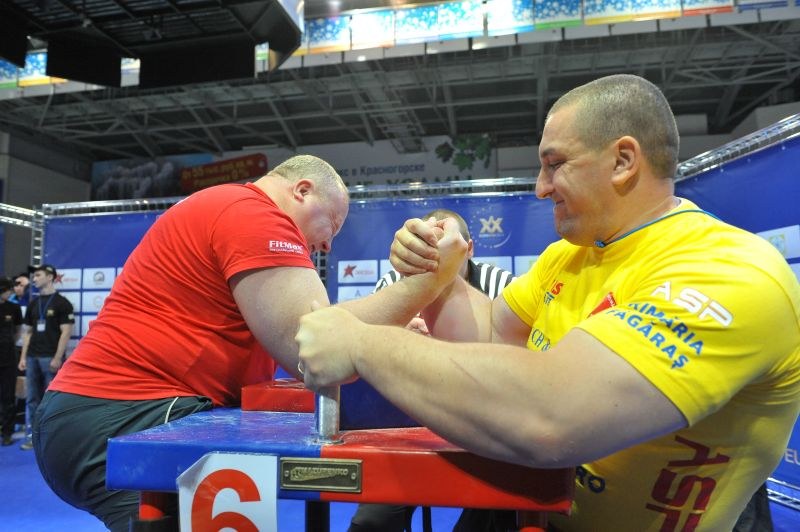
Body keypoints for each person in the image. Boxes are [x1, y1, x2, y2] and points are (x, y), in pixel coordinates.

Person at [295, 74, 800, 531]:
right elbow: (490, 336)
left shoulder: (731, 271)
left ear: (624, 161)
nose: (540, 189)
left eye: (555, 165)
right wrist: (439, 276)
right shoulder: (569, 257)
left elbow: (552, 417)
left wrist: (362, 343)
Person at [32, 154, 467, 532]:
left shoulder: (232, 210)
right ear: (301, 190)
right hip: (122, 416)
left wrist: (381, 333)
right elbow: (310, 345)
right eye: (331, 222)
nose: (328, 244)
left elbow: (320, 331)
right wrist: (433, 277)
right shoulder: (252, 212)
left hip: (122, 413)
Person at [351, 208, 514, 532]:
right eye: (429, 247)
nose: (438, 257)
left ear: (468, 248)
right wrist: (394, 337)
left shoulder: (502, 285)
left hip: (484, 429)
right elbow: (363, 345)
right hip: (411, 424)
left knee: (494, 516)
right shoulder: (394, 284)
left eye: (447, 247)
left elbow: (518, 356)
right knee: (371, 523)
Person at [18, 264, 74, 451]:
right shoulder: (34, 304)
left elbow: (66, 332)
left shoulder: (62, 303)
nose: (34, 279)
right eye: (33, 276)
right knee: (32, 398)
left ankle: (51, 439)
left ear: (50, 277)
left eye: (38, 275)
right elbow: (28, 333)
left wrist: (58, 357)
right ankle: (33, 437)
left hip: (50, 357)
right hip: (33, 357)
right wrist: (23, 357)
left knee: (51, 400)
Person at [0, 277, 23, 446]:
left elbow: (17, 331)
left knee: (8, 396)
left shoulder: (14, 308)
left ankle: (7, 431)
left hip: (8, 356)